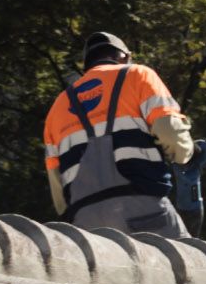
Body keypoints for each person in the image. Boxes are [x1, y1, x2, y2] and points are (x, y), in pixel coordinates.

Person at [41, 32, 195, 238]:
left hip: (85, 224)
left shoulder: (57, 107)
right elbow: (170, 132)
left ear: (87, 66)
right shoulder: (138, 74)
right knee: (186, 257)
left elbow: (58, 192)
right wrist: (186, 155)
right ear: (124, 57)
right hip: (143, 207)